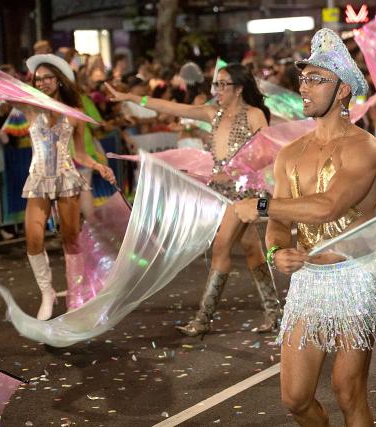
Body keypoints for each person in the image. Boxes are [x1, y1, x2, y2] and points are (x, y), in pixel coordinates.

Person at [234, 28, 376, 426]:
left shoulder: (365, 148)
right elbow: (281, 224)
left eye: (316, 79)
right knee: (295, 399)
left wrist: (263, 205)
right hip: (308, 279)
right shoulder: (290, 154)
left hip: (355, 277)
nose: (304, 87)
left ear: (342, 91)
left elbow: (327, 206)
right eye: (303, 78)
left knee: (348, 391)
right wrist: (275, 250)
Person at [105, 63, 281, 338]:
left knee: (221, 248)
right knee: (251, 249)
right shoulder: (213, 113)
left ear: (239, 89)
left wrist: (233, 170)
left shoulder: (255, 115)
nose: (218, 90)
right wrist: (131, 98)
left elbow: (266, 154)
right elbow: (172, 108)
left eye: (224, 85)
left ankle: (203, 320)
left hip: (247, 193)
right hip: (221, 193)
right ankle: (275, 314)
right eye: (216, 84)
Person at [16, 54, 116, 319]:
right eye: (38, 79)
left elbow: (81, 154)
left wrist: (97, 166)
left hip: (66, 178)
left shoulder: (75, 114)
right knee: (33, 239)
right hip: (38, 179)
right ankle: (47, 293)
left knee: (70, 238)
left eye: (48, 78)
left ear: (59, 80)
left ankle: (75, 293)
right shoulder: (29, 108)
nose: (43, 83)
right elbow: (4, 94)